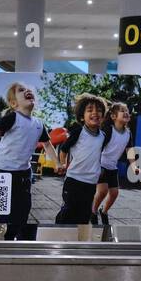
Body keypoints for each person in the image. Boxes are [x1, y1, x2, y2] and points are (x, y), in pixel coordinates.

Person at [0, 81, 50, 240]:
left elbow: (47, 145)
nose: (27, 91)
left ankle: (19, 238)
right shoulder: (12, 117)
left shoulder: (38, 124)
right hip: (1, 171)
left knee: (23, 210)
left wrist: (59, 163)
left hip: (23, 173)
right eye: (21, 90)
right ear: (13, 103)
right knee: (0, 214)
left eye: (28, 89)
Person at [55, 93, 108, 225]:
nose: (95, 113)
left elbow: (97, 154)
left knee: (84, 215)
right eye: (90, 110)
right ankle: (58, 232)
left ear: (102, 116)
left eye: (99, 110)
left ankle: (79, 241)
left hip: (90, 183)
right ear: (82, 117)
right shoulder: (79, 132)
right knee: (69, 212)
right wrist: (62, 164)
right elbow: (64, 149)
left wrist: (99, 169)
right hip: (74, 180)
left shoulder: (103, 136)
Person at [92, 101, 134, 227]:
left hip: (112, 167)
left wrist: (134, 166)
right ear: (113, 116)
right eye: (122, 110)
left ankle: (103, 212)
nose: (126, 112)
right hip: (101, 163)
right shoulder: (108, 130)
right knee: (103, 191)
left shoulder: (128, 133)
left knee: (114, 193)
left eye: (127, 111)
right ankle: (93, 211)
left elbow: (129, 150)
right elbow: (98, 147)